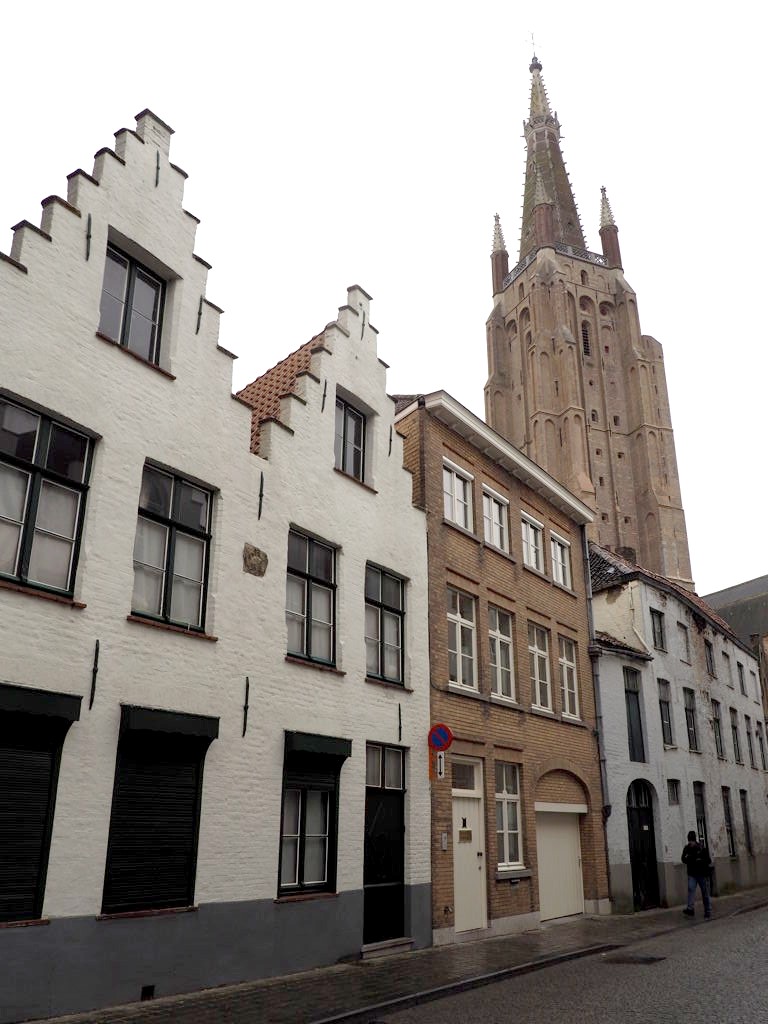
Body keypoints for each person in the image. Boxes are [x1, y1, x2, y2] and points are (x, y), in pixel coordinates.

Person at [681, 830, 712, 918]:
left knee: (705, 893)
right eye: (689, 841)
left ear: (695, 840)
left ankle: (708, 910)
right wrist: (689, 860)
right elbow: (683, 859)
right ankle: (690, 909)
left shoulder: (701, 848)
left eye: (692, 841)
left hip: (702, 874)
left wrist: (700, 861)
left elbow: (708, 860)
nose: (690, 843)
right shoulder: (687, 848)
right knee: (691, 889)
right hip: (692, 874)